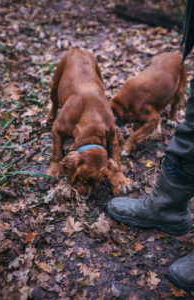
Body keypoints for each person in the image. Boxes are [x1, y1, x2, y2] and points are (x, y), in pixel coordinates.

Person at [108, 0, 194, 291]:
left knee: (183, 118)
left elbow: (151, 120)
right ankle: (166, 209)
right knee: (190, 134)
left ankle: (166, 209)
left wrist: (130, 143)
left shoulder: (137, 101)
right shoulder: (124, 98)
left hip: (173, 72)